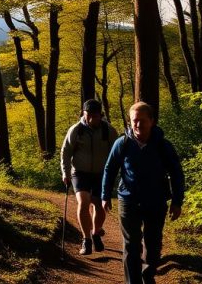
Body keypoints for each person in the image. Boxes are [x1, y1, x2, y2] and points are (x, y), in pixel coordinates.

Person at [102, 102, 185, 284]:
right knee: (131, 245)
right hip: (128, 200)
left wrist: (177, 201)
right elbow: (110, 169)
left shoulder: (163, 146)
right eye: (134, 121)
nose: (138, 125)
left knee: (153, 244)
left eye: (142, 121)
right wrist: (105, 195)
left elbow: (177, 173)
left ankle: (148, 275)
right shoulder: (121, 143)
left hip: (156, 201)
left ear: (152, 121)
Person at [60, 98, 119, 255]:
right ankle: (86, 240)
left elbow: (118, 153)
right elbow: (66, 152)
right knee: (83, 202)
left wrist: (118, 172)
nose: (92, 118)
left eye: (96, 114)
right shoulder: (75, 130)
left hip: (102, 174)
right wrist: (65, 173)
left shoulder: (109, 131)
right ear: (84, 114)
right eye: (89, 114)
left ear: (101, 114)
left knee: (99, 205)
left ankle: (96, 232)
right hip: (80, 172)